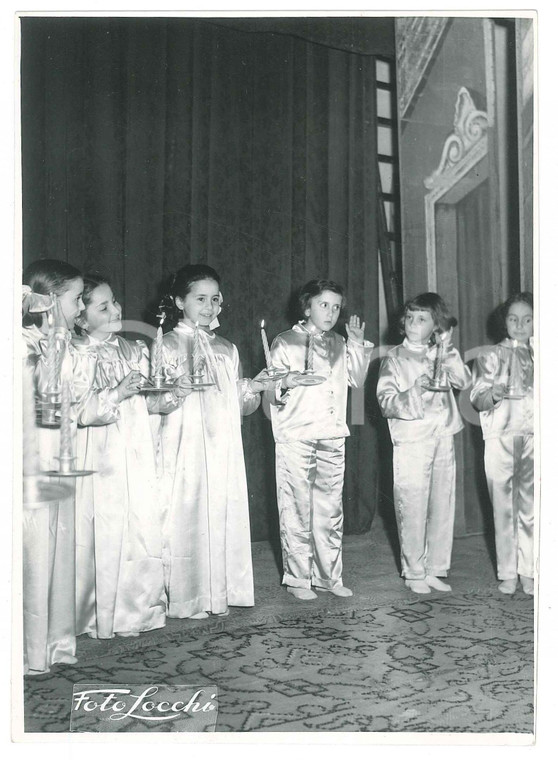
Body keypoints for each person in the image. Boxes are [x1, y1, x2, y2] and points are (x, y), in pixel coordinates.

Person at [72, 274, 189, 638]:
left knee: (140, 529)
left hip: (137, 452)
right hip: (101, 458)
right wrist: (117, 394)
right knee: (106, 533)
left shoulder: (134, 349)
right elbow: (83, 412)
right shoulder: (75, 355)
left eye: (115, 302)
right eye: (103, 306)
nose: (116, 310)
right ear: (80, 316)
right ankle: (101, 615)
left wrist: (174, 394)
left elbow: (151, 404)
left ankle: (138, 610)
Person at [155, 264, 274, 619]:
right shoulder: (168, 344)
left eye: (215, 299)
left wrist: (253, 386)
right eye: (200, 299)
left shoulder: (226, 348)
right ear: (179, 301)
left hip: (221, 446)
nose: (209, 307)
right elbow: (155, 401)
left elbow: (238, 404)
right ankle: (187, 595)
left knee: (220, 509)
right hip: (184, 443)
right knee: (187, 513)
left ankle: (219, 591)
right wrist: (175, 393)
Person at [266, 279, 374, 600]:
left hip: (331, 433)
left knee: (330, 508)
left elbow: (356, 378)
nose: (330, 312)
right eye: (323, 305)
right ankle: (299, 579)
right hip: (296, 435)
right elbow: (271, 389)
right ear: (307, 306)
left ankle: (329, 577)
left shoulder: (340, 342)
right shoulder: (285, 342)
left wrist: (357, 344)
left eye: (336, 307)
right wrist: (286, 381)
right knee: (296, 507)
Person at [376, 292, 471, 594]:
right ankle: (414, 570)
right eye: (410, 317)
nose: (413, 323)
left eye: (422, 319)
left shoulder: (440, 352)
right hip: (412, 439)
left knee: (441, 503)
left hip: (442, 434)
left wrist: (447, 348)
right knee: (412, 504)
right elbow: (386, 402)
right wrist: (414, 391)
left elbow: (463, 381)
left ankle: (435, 568)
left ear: (436, 325)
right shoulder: (394, 358)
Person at [21, 259, 87, 673]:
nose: (81, 308)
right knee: (32, 552)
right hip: (28, 460)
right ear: (49, 302)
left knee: (57, 549)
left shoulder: (64, 346)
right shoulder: (23, 345)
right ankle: (27, 649)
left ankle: (54, 643)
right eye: (76, 299)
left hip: (59, 457)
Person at [470, 292, 534, 595]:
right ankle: (508, 572)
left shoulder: (542, 354)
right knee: (503, 508)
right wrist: (491, 395)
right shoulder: (490, 355)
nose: (520, 324)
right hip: (499, 437)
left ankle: (530, 571)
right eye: (513, 318)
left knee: (532, 508)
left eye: (527, 319)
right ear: (504, 321)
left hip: (536, 438)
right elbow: (477, 397)